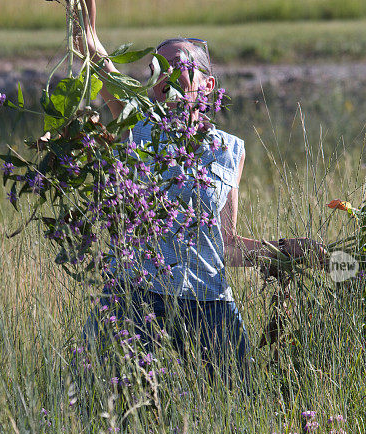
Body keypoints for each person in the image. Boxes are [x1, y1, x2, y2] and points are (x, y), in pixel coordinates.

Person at [75, 0, 326, 386]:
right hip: (137, 293)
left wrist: (285, 249)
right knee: (98, 395)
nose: (166, 75)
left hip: (208, 300)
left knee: (240, 403)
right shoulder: (137, 127)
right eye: (157, 68)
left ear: (208, 86)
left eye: (180, 67)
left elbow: (225, 246)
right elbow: (99, 62)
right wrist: (88, 33)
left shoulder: (230, 150)